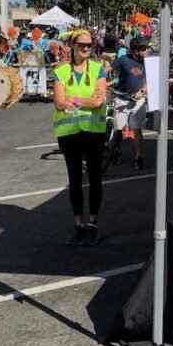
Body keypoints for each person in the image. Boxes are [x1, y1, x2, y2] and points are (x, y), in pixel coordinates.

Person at [52, 29, 108, 246]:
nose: (86, 48)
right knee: (74, 179)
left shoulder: (97, 69)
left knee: (94, 178)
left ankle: (93, 224)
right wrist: (85, 98)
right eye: (81, 45)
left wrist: (72, 98)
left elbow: (98, 103)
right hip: (69, 134)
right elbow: (58, 103)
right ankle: (78, 224)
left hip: (93, 133)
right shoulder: (61, 71)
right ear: (72, 46)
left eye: (89, 45)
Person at [109, 35, 150, 169]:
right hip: (121, 99)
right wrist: (100, 81)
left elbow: (151, 80)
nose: (147, 51)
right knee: (118, 130)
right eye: (144, 49)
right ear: (135, 51)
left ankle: (138, 157)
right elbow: (106, 70)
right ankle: (117, 151)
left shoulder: (147, 62)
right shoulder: (123, 60)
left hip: (138, 101)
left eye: (146, 48)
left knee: (137, 130)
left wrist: (142, 92)